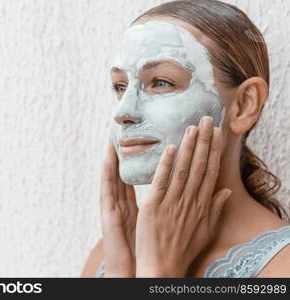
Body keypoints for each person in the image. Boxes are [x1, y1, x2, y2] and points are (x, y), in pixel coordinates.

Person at [81, 0, 290, 278]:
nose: (123, 112)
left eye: (161, 82)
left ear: (244, 105)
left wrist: (159, 273)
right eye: (120, 86)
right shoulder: (108, 254)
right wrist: (122, 270)